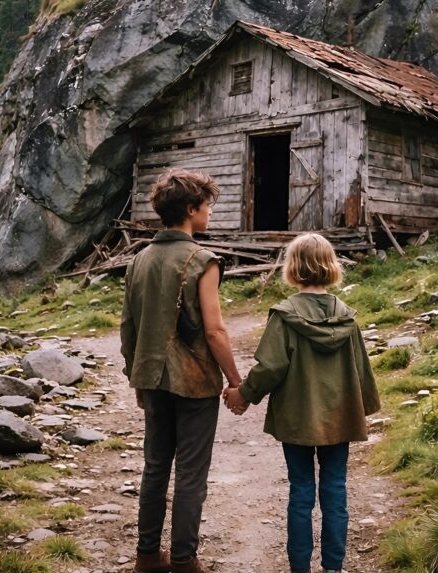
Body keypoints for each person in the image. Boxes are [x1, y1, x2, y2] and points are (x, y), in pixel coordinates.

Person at [224, 233, 380, 573]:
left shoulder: (285, 315)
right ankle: (334, 568)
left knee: (301, 490)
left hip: (297, 418)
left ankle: (299, 568)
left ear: (293, 268)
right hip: (339, 418)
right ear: (331, 267)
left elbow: (271, 367)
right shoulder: (346, 317)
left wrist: (244, 395)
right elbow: (361, 369)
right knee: (335, 488)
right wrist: (362, 409)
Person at [120, 169, 243, 573]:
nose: (209, 213)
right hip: (194, 383)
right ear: (191, 210)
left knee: (155, 468)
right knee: (191, 472)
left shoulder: (138, 259)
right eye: (207, 206)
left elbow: (129, 327)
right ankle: (185, 561)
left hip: (152, 380)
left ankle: (147, 557)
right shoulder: (202, 260)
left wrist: (135, 376)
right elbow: (214, 329)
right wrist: (236, 381)